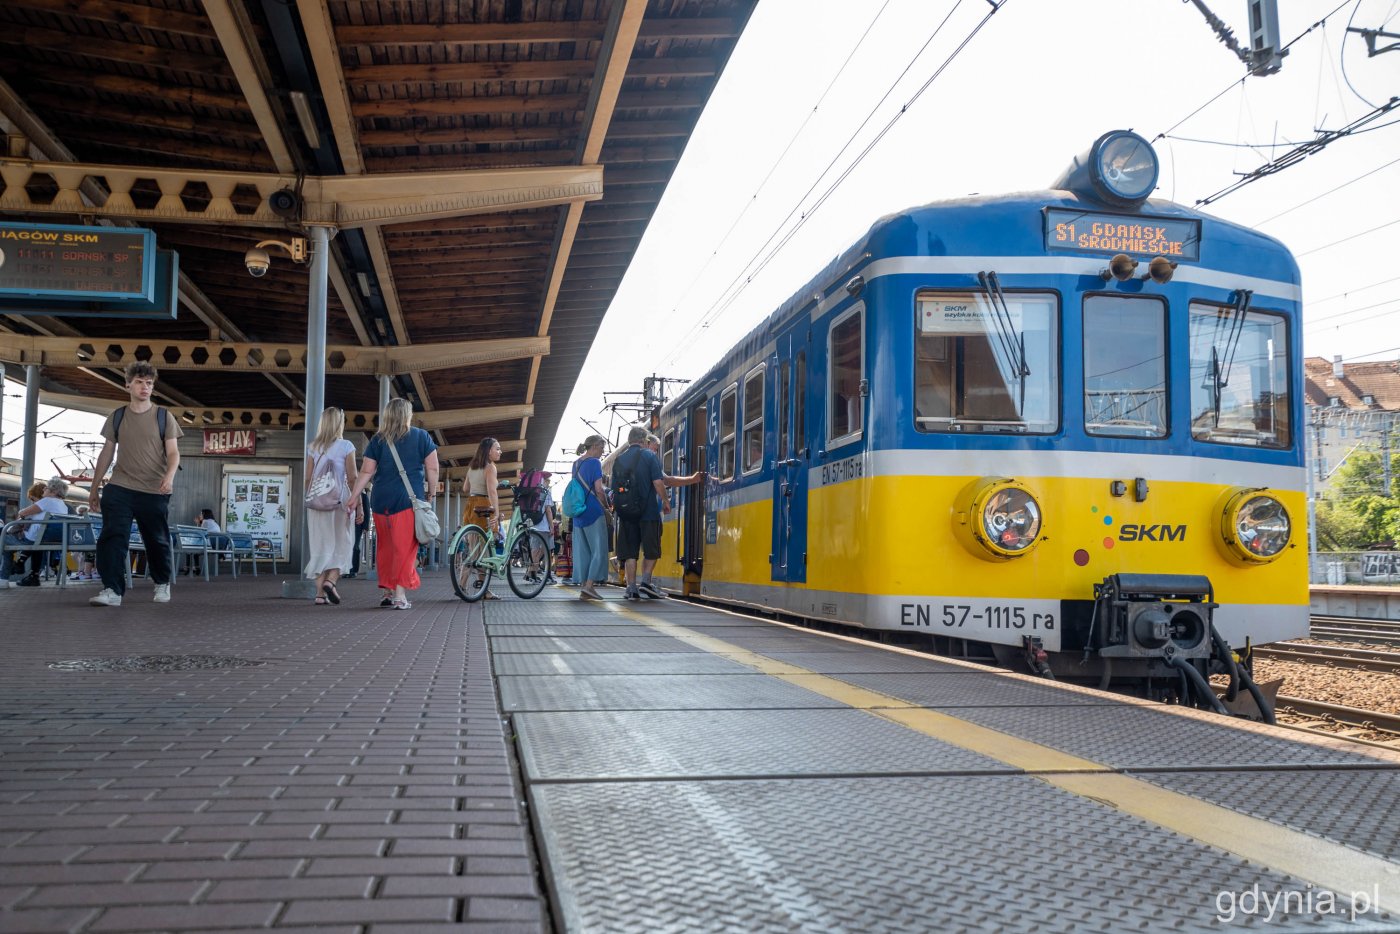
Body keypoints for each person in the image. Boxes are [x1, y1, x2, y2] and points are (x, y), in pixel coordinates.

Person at [88, 361, 183, 607]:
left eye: (149, 383)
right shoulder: (118, 416)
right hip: (120, 486)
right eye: (139, 382)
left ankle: (162, 582)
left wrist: (169, 476)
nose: (145, 387)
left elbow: (173, 453)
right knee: (113, 537)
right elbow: (106, 453)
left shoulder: (164, 416)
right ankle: (112, 590)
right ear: (128, 384)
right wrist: (94, 488)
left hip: (153, 489)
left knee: (156, 539)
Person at [345, 398, 438, 610]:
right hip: (407, 500)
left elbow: (367, 472)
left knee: (385, 548)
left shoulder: (378, 440)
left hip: (380, 500)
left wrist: (354, 497)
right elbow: (432, 468)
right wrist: (431, 493)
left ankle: (386, 592)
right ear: (407, 414)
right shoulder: (421, 436)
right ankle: (399, 596)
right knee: (404, 549)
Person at [637, 431, 705, 598]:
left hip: (634, 512)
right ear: (647, 443)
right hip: (650, 512)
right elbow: (665, 481)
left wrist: (692, 479)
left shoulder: (631, 460)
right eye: (656, 447)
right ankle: (645, 582)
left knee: (642, 550)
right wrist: (667, 500)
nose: (656, 451)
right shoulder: (650, 459)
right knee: (652, 549)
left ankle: (639, 584)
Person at [303, 407, 360, 606]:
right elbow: (352, 478)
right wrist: (358, 504)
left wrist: (314, 496)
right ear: (339, 424)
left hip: (317, 500)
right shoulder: (346, 446)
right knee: (343, 542)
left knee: (321, 545)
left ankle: (320, 594)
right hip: (339, 500)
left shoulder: (313, 447)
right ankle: (331, 581)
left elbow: (308, 478)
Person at [4, 477, 70, 586]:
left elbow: (23, 513)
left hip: (36, 538)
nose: (44, 489)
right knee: (36, 544)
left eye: (46, 488)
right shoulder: (62, 505)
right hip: (52, 539)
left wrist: (23, 512)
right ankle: (29, 573)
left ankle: (9, 571)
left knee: (3, 538)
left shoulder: (47, 501)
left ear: (54, 491)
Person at [570, 435, 611, 601]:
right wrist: (607, 506)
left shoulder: (576, 464)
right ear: (594, 446)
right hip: (593, 512)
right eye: (602, 448)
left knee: (583, 551)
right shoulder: (594, 463)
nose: (602, 452)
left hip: (578, 512)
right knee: (598, 550)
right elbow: (599, 489)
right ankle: (589, 586)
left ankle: (583, 587)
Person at [462, 437, 502, 600]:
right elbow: (492, 492)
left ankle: (463, 585)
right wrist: (497, 513)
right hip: (484, 505)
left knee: (474, 548)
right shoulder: (490, 467)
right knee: (483, 551)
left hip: (471, 505)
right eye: (497, 448)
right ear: (488, 450)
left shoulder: (472, 467)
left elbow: (466, 488)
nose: (500, 451)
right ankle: (482, 589)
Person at [184, 508, 222, 576]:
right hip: (216, 544)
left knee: (189, 548)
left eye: (201, 514)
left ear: (205, 514)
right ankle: (196, 567)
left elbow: (201, 533)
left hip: (209, 544)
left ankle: (188, 567)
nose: (199, 516)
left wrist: (198, 523)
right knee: (194, 551)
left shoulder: (205, 521)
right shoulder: (213, 522)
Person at [345, 490, 370, 578]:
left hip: (357, 524)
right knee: (347, 546)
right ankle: (347, 569)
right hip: (346, 524)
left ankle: (354, 570)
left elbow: (367, 511)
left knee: (355, 546)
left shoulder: (363, 496)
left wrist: (365, 527)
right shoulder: (346, 493)